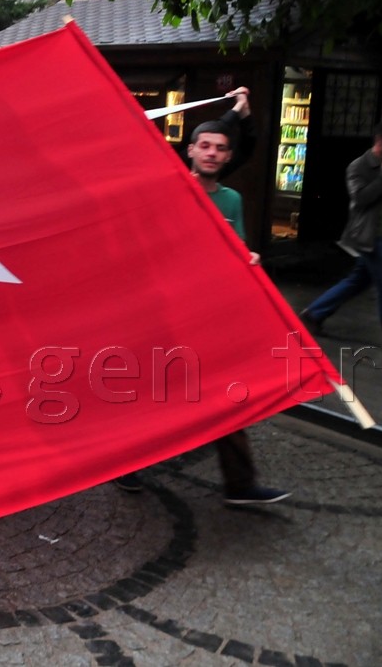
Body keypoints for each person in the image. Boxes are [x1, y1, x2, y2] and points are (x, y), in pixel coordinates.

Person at [116, 110, 290, 506]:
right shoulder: (168, 189)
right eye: (205, 146)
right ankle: (126, 463)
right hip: (165, 313)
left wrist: (249, 259)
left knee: (227, 396)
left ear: (228, 157)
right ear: (191, 150)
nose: (212, 153)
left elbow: (236, 248)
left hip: (212, 315)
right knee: (154, 394)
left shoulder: (232, 200)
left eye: (221, 149)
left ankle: (240, 484)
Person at [301, 120, 382, 360]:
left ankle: (313, 314)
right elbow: (361, 198)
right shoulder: (360, 166)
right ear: (380, 140)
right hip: (374, 237)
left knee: (359, 280)